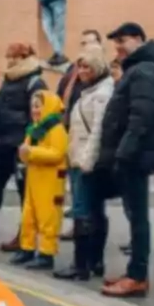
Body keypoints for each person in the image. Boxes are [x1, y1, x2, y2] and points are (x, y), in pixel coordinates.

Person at [97, 23, 154, 298]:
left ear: (138, 39)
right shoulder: (139, 69)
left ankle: (138, 276)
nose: (119, 48)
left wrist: (124, 153)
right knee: (135, 216)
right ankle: (134, 272)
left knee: (138, 218)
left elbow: (141, 117)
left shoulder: (145, 71)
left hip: (135, 157)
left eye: (123, 41)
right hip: (132, 155)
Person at [55, 45, 114, 281]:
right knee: (94, 210)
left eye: (87, 66)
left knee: (83, 210)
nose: (81, 71)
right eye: (79, 66)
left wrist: (85, 160)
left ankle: (81, 265)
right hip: (83, 157)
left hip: (86, 160)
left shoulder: (100, 94)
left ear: (98, 66)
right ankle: (94, 262)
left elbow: (98, 130)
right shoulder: (92, 89)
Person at [0, 43, 47, 251]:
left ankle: (26, 237)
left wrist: (29, 142)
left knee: (26, 195)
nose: (8, 61)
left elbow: (40, 116)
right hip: (3, 142)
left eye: (12, 57)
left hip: (21, 145)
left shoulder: (35, 81)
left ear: (23, 57)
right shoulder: (9, 78)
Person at [14, 90, 69, 268]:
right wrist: (25, 154)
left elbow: (57, 153)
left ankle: (47, 252)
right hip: (34, 177)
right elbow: (26, 148)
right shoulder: (35, 129)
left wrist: (31, 153)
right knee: (28, 215)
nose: (34, 110)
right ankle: (27, 247)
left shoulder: (56, 129)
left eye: (38, 106)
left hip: (50, 180)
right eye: (33, 107)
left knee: (48, 217)